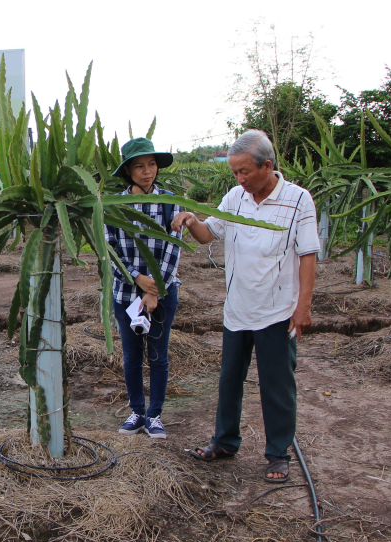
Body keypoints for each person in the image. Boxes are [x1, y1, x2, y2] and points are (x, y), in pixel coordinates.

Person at [171, 130, 319, 482]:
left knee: (276, 384)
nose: (239, 179)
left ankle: (278, 453)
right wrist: (193, 221)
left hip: (277, 310)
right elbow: (210, 233)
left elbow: (308, 254)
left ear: (267, 166)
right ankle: (224, 442)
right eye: (235, 173)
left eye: (245, 172)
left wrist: (304, 306)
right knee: (229, 380)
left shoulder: (298, 200)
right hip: (238, 309)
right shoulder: (235, 198)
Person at [105, 137, 184, 440]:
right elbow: (109, 249)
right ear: (128, 171)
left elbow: (175, 249)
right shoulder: (113, 205)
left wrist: (154, 290)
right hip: (125, 292)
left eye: (151, 164)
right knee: (131, 355)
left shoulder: (170, 202)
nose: (147, 171)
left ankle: (155, 415)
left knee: (158, 355)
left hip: (162, 292)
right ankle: (137, 411)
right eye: (139, 166)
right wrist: (136, 278)